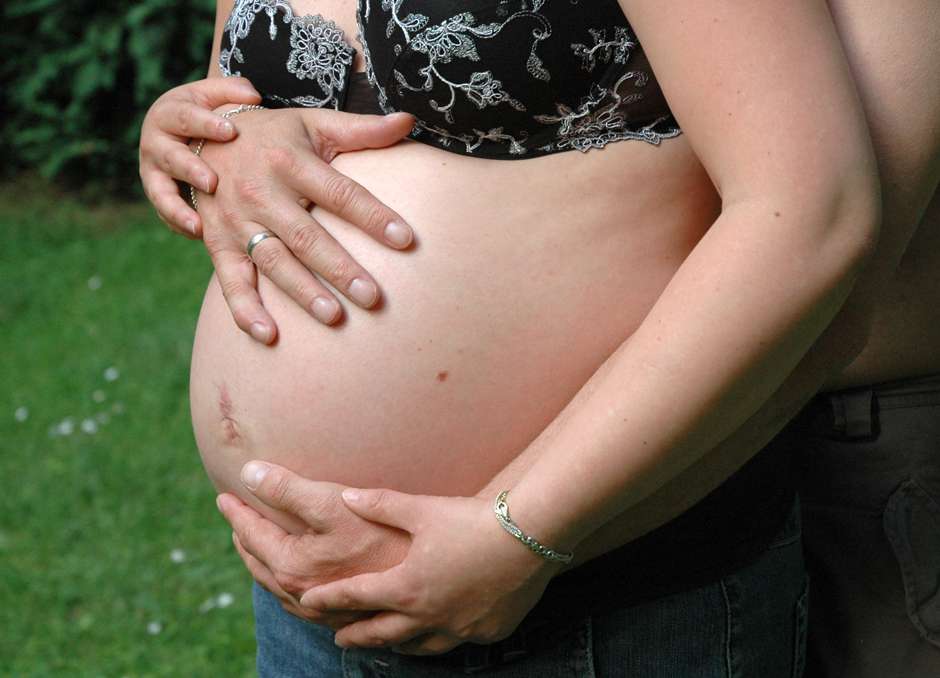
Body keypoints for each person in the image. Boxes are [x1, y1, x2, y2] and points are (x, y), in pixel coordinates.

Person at [136, 1, 935, 675]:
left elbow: (813, 218)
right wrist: (215, 135)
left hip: (597, 595)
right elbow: (239, 96)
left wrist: (516, 537)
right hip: (303, 595)